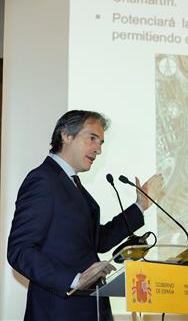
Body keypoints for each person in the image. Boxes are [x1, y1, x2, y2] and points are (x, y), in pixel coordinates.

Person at [7, 110, 163, 321]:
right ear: (66, 135)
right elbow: (20, 250)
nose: (98, 149)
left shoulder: (72, 184)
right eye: (92, 138)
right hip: (58, 311)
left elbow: (98, 241)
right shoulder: (43, 180)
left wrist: (140, 206)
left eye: (101, 142)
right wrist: (74, 280)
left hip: (90, 309)